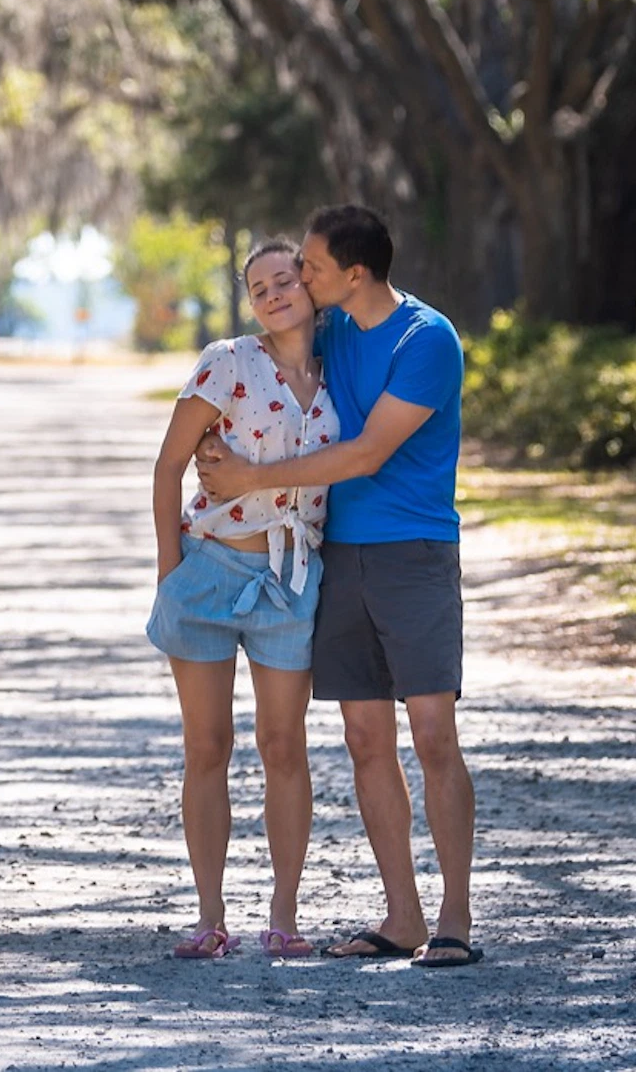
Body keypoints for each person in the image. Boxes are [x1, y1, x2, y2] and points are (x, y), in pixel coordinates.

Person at [194, 202, 475, 968]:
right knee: (363, 738)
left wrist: (253, 477)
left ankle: (455, 914)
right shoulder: (335, 331)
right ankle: (404, 914)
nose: (300, 279)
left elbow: (365, 454)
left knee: (433, 734)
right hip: (336, 553)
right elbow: (262, 371)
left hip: (413, 551)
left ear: (354, 273)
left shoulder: (428, 339)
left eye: (311, 267)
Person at [145, 241, 338, 960]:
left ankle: (284, 913)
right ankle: (209, 915)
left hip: (291, 576)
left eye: (285, 278)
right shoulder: (227, 361)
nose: (273, 292)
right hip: (211, 569)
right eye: (258, 285)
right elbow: (169, 465)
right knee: (207, 745)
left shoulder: (339, 368)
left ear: (311, 286)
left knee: (284, 745)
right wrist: (172, 569)